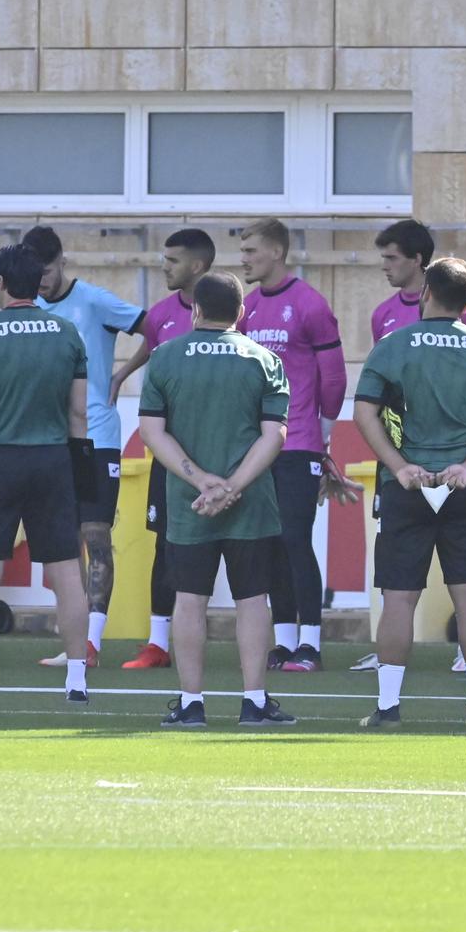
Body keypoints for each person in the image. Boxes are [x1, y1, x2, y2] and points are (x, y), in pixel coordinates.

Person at [352, 258, 466, 728]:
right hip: (464, 484)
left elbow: (364, 414)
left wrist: (400, 465)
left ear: (425, 291)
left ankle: (388, 708)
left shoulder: (392, 345)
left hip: (408, 484)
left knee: (399, 599)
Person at [137, 271, 295, 727]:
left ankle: (191, 705)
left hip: (189, 501)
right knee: (252, 600)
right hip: (251, 501)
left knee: (189, 599)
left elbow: (151, 431)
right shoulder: (263, 359)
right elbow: (275, 436)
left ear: (195, 310)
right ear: (241, 313)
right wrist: (234, 484)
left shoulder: (165, 357)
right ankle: (254, 701)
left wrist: (201, 479)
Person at [0, 243, 93, 707]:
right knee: (67, 571)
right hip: (53, 460)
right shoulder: (67, 332)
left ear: (1, 284)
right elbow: (79, 417)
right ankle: (77, 680)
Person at [237, 217, 356, 672]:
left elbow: (335, 377)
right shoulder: (245, 309)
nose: (244, 259)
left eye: (251, 251)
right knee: (268, 543)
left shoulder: (309, 304)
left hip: (300, 442)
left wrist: (322, 434)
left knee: (294, 539)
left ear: (276, 253)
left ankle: (311, 643)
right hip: (260, 447)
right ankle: (284, 641)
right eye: (243, 251)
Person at [31, 226, 147, 670]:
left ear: (62, 261)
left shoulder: (95, 301)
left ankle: (91, 643)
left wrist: (121, 375)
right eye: (35, 272)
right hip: (51, 439)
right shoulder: (31, 309)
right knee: (64, 542)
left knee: (96, 537)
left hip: (96, 436)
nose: (42, 280)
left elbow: (152, 327)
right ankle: (75, 640)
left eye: (47, 269)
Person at [110, 229, 217, 670]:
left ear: (197, 265)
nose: (164, 266)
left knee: (242, 548)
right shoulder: (159, 314)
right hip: (172, 454)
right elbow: (151, 347)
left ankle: (280, 642)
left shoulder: (229, 311)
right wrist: (121, 375)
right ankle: (158, 643)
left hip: (223, 451)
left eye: (172, 260)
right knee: (166, 545)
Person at [368, 218, 466, 343]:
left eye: (392, 258)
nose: (385, 266)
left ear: (416, 259)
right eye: (384, 258)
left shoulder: (452, 309)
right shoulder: (382, 313)